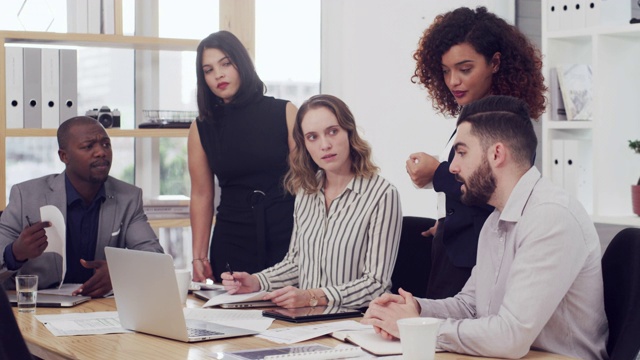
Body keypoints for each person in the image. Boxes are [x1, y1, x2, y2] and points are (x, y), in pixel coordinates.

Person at [363, 96, 608, 360]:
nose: (453, 167)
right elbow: (470, 306)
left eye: (462, 152)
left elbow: (510, 337)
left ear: (497, 154)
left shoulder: (551, 217)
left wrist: (416, 328)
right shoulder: (496, 220)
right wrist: (413, 309)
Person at [405, 6, 547, 299]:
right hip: (456, 249)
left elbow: (497, 188)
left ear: (495, 63)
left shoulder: (508, 122)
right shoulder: (474, 116)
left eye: (465, 69)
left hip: (475, 259)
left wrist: (437, 173)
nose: (453, 81)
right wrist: (448, 221)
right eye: (445, 71)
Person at [220, 94, 402, 309]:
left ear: (349, 132)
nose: (324, 145)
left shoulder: (382, 194)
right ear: (304, 144)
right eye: (312, 137)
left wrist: (313, 296)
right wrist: (256, 281)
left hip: (356, 321)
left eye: (332, 131)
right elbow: (296, 263)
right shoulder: (306, 192)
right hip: (306, 319)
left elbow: (375, 283)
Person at [0, 116, 164, 298]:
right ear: (64, 156)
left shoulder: (129, 198)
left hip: (99, 309)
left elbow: (154, 257)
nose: (101, 152)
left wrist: (120, 272)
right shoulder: (26, 196)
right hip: (39, 307)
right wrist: (15, 253)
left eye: (106, 144)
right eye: (88, 146)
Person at [189, 30, 297, 282]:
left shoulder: (284, 112)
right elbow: (202, 194)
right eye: (208, 70)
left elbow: (306, 184)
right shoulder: (201, 127)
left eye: (226, 63)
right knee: (230, 316)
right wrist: (198, 256)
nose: (218, 74)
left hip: (287, 232)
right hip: (231, 236)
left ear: (242, 63)